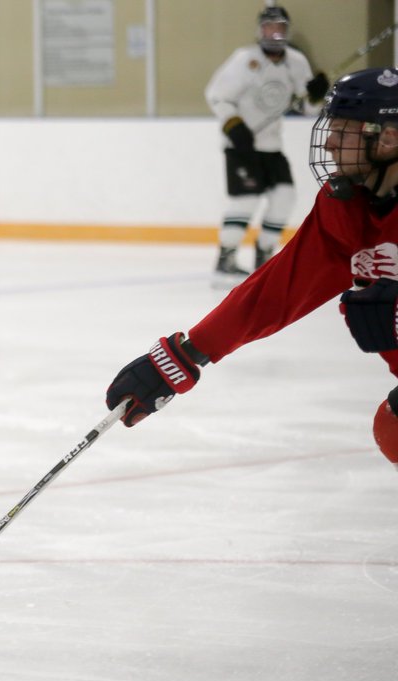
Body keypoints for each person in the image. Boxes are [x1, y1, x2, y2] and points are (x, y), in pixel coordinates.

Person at [105, 67, 398, 472]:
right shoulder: (345, 207)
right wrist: (185, 356)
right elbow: (278, 290)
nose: (328, 143)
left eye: (343, 132)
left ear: (387, 139)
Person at [205, 5, 328, 287]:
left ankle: (264, 256)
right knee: (245, 201)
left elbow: (308, 107)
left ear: (286, 31)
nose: (274, 33)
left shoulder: (296, 61)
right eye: (269, 27)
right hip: (241, 145)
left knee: (285, 197)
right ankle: (226, 259)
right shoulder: (244, 60)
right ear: (260, 30)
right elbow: (216, 96)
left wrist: (317, 94)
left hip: (271, 145)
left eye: (279, 27)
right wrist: (234, 125)